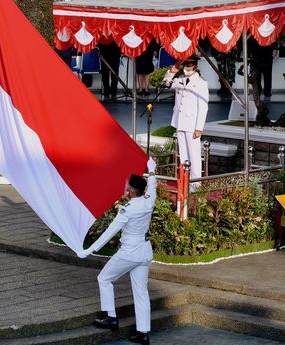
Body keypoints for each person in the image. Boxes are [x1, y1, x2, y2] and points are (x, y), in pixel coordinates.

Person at [78, 158, 156, 345]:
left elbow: (109, 232)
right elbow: (152, 185)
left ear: (130, 191)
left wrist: (89, 250)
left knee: (104, 279)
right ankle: (143, 333)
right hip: (145, 252)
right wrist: (152, 170)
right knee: (141, 292)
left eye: (128, 187)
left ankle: (111, 318)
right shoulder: (149, 200)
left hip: (129, 253)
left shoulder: (127, 210)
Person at [162, 54, 209, 180]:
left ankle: (195, 184)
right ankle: (184, 180)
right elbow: (165, 84)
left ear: (195, 65)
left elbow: (203, 107)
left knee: (194, 155)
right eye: (185, 64)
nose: (187, 67)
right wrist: (172, 71)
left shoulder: (201, 83)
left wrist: (199, 128)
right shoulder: (179, 79)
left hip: (192, 124)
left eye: (190, 64)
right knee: (183, 155)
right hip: (180, 122)